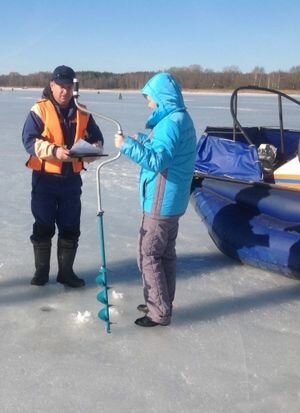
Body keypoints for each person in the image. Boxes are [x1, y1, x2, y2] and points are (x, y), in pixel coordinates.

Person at [114, 72, 196, 327]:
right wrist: (139, 140)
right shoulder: (178, 119)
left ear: (161, 98)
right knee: (164, 254)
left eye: (149, 98)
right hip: (171, 202)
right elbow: (161, 149)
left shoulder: (172, 122)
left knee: (148, 255)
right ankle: (160, 301)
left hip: (161, 203)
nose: (148, 103)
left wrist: (126, 145)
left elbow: (158, 160)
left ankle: (159, 311)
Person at [22, 65, 104, 288]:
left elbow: (97, 139)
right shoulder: (40, 110)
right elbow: (29, 141)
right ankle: (41, 273)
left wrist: (92, 151)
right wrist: (54, 151)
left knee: (70, 226)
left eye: (68, 87)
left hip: (71, 181)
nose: (64, 91)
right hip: (44, 179)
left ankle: (66, 273)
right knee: (43, 225)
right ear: (52, 85)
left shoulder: (83, 112)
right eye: (60, 86)